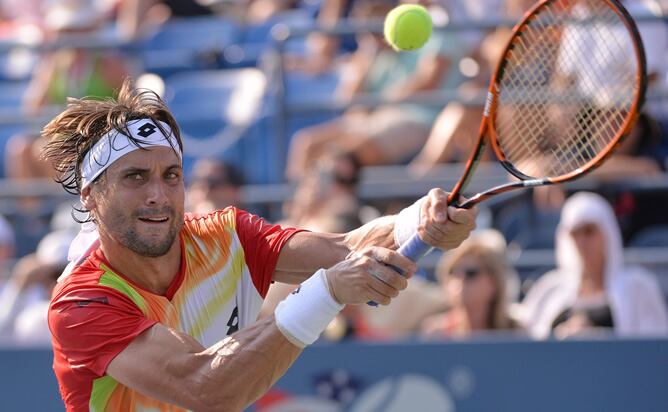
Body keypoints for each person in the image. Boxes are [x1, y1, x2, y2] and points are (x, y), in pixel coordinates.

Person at [41, 79, 477, 411]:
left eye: (171, 175)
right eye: (135, 177)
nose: (158, 194)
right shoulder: (82, 304)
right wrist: (325, 293)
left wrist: (418, 222)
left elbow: (346, 249)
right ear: (89, 194)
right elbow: (205, 388)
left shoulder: (226, 235)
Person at [514, 192, 668, 339]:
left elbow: (653, 347)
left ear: (607, 233)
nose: (582, 243)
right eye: (575, 234)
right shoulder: (549, 288)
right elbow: (527, 343)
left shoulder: (638, 286)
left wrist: (598, 338)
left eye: (589, 231)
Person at [420, 229, 520, 338]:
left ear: (494, 283)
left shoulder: (515, 331)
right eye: (453, 272)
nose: (460, 278)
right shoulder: (436, 333)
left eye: (471, 273)